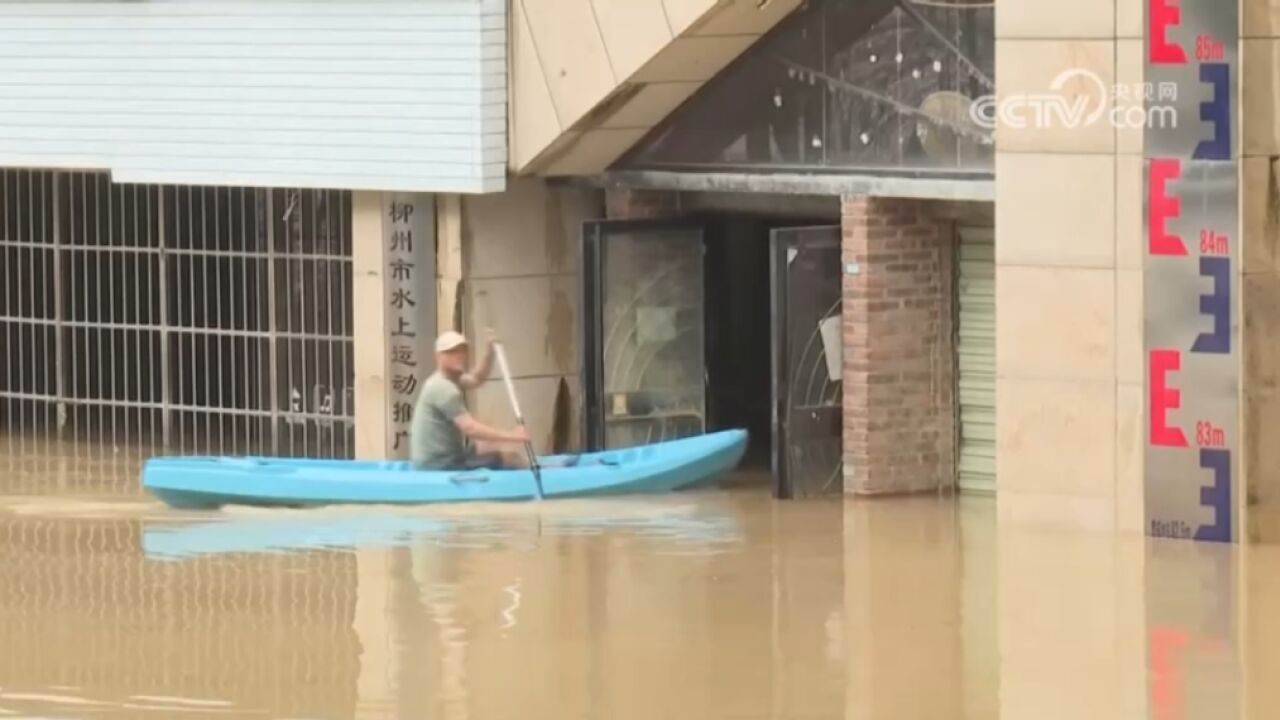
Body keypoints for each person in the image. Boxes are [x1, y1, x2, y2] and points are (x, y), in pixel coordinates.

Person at [410, 330, 530, 470]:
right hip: (437, 464)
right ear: (439, 356)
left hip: (447, 455)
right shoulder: (443, 388)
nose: (460, 356)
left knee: (487, 445)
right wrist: (514, 435)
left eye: (463, 351)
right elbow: (470, 428)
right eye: (453, 352)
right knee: (510, 458)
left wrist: (489, 352)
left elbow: (477, 378)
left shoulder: (451, 379)